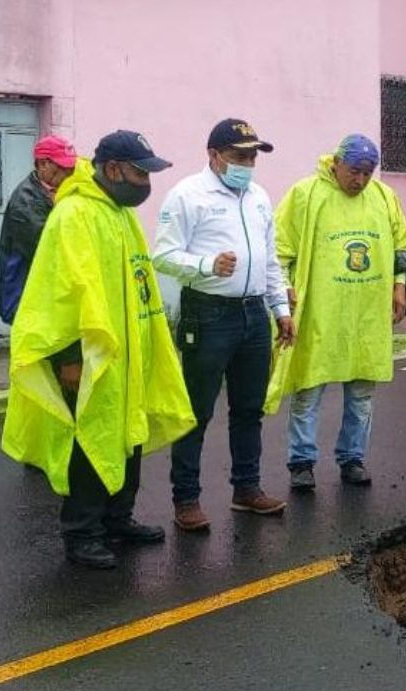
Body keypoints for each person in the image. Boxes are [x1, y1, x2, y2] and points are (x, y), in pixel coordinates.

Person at [0, 130, 195, 570]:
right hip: (86, 356)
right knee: (90, 441)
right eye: (140, 172)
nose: (146, 182)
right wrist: (68, 358)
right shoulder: (74, 216)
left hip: (127, 354)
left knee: (128, 435)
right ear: (112, 169)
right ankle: (82, 532)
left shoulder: (119, 215)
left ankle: (117, 518)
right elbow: (58, 292)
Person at [153, 119, 291, 532]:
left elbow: (269, 260)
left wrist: (280, 308)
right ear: (214, 156)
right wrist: (204, 265)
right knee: (196, 411)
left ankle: (246, 489)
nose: (247, 163)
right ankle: (186, 499)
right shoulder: (187, 196)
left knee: (249, 408)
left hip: (252, 315)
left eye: (252, 156)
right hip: (208, 313)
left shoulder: (259, 197)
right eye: (239, 156)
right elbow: (162, 254)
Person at [268, 134, 406, 491]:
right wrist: (283, 292)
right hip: (320, 312)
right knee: (309, 387)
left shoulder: (383, 197)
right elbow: (279, 248)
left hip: (366, 313)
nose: (360, 180)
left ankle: (352, 458)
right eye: (354, 172)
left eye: (367, 173)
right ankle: (301, 462)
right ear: (336, 163)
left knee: (362, 392)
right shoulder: (306, 194)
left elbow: (401, 247)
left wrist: (399, 285)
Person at [0, 135, 78, 326]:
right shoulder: (25, 203)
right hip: (25, 296)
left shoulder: (58, 192)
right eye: (63, 169)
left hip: (45, 297)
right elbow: (48, 250)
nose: (69, 174)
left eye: (71, 169)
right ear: (43, 165)